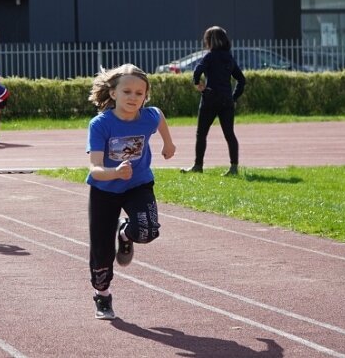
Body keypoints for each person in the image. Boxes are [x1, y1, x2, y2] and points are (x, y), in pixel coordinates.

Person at [86, 63, 176, 320]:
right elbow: (94, 169)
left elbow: (158, 116)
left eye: (139, 93)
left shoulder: (148, 117)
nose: (133, 98)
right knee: (102, 249)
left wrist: (168, 144)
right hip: (105, 188)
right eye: (127, 92)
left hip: (138, 184)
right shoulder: (101, 124)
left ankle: (125, 232)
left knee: (147, 231)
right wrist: (114, 172)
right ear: (113, 93)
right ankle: (102, 296)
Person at [181, 26, 246, 176]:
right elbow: (241, 80)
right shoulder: (229, 57)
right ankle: (234, 167)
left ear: (209, 40)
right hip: (226, 101)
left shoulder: (210, 56)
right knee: (229, 134)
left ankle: (198, 166)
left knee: (201, 134)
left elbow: (198, 70)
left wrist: (198, 84)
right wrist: (234, 97)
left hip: (210, 98)